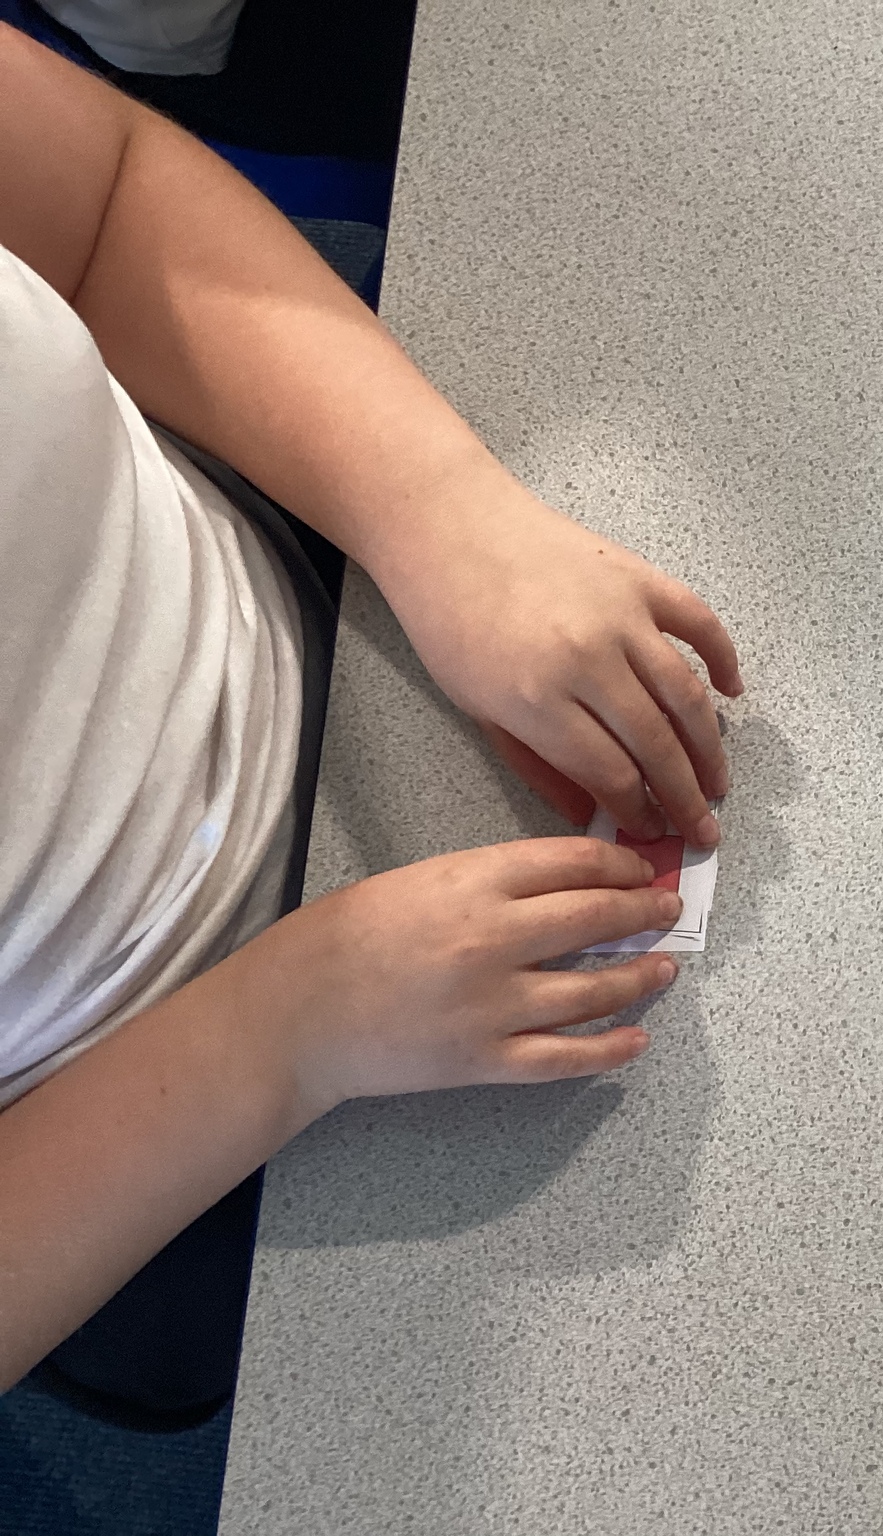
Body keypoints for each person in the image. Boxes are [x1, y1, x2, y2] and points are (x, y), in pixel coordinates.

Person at [0, 26, 743, 1408]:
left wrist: (440, 517)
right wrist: (281, 1038)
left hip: (297, 538)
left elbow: (98, 199)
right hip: (148, 1115)